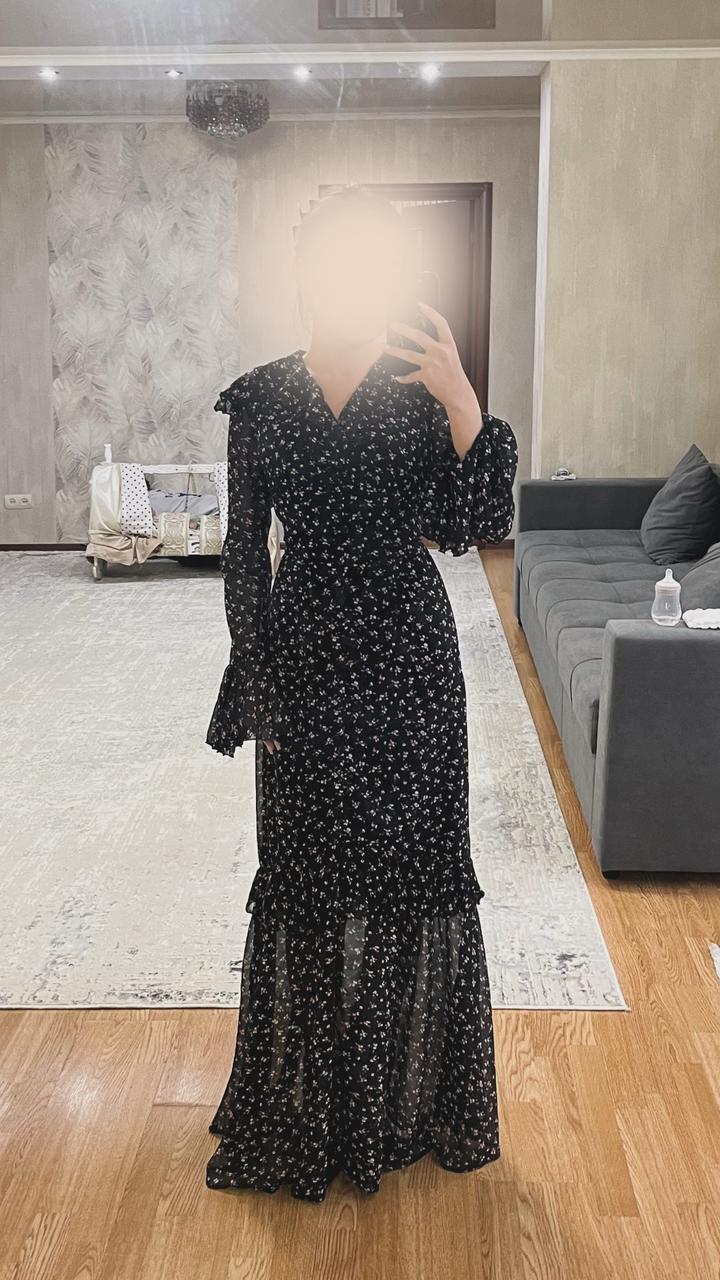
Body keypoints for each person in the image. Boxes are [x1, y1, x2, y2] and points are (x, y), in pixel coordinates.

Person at [204, 185, 518, 1203]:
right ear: (307, 276)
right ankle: (312, 1103)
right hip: (301, 659)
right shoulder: (260, 398)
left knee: (408, 873)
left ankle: (395, 1107)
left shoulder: (420, 388)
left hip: (410, 665)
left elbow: (474, 522)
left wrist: (465, 402)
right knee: (304, 875)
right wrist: (256, 679)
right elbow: (243, 555)